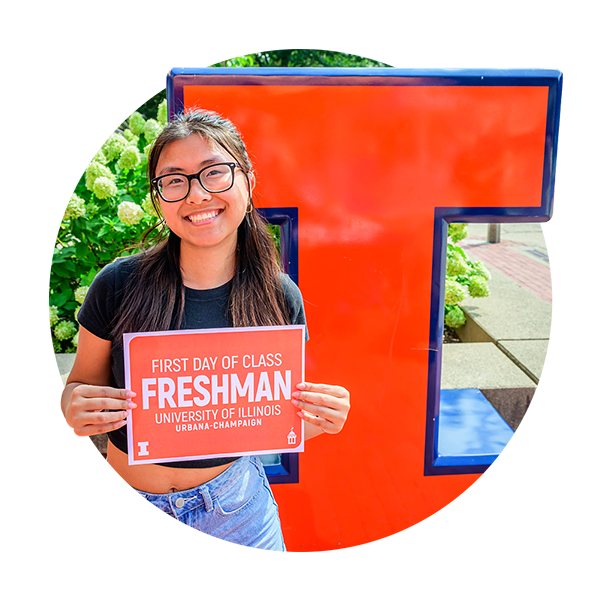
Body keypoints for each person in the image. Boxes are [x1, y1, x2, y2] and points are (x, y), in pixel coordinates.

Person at [61, 109, 350, 552]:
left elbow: (274, 417)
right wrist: (76, 408)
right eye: (174, 180)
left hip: (239, 510)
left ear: (248, 182)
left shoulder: (279, 296)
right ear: (158, 199)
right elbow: (80, 384)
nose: (196, 195)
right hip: (128, 508)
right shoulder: (118, 284)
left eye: (214, 172)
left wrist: (322, 419)